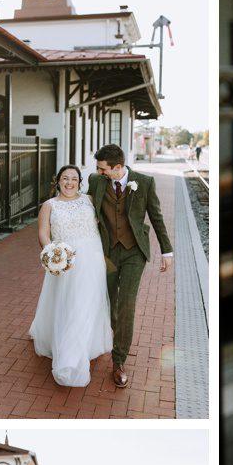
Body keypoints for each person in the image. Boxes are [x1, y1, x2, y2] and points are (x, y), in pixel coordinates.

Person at [87, 145, 173, 390]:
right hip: (107, 252)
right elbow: (85, 208)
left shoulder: (144, 182)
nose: (98, 172)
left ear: (117, 167)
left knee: (127, 302)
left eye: (103, 168)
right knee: (108, 299)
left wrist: (167, 251)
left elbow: (156, 217)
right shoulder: (96, 181)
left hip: (135, 251)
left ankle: (119, 359)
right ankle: (112, 335)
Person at [29, 164, 113, 388]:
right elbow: (43, 233)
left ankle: (85, 344)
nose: (69, 183)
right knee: (69, 305)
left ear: (80, 182)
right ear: (58, 181)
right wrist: (52, 252)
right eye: (65, 178)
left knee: (88, 304)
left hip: (93, 260)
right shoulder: (49, 205)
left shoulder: (89, 201)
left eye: (74, 179)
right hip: (66, 262)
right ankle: (70, 357)